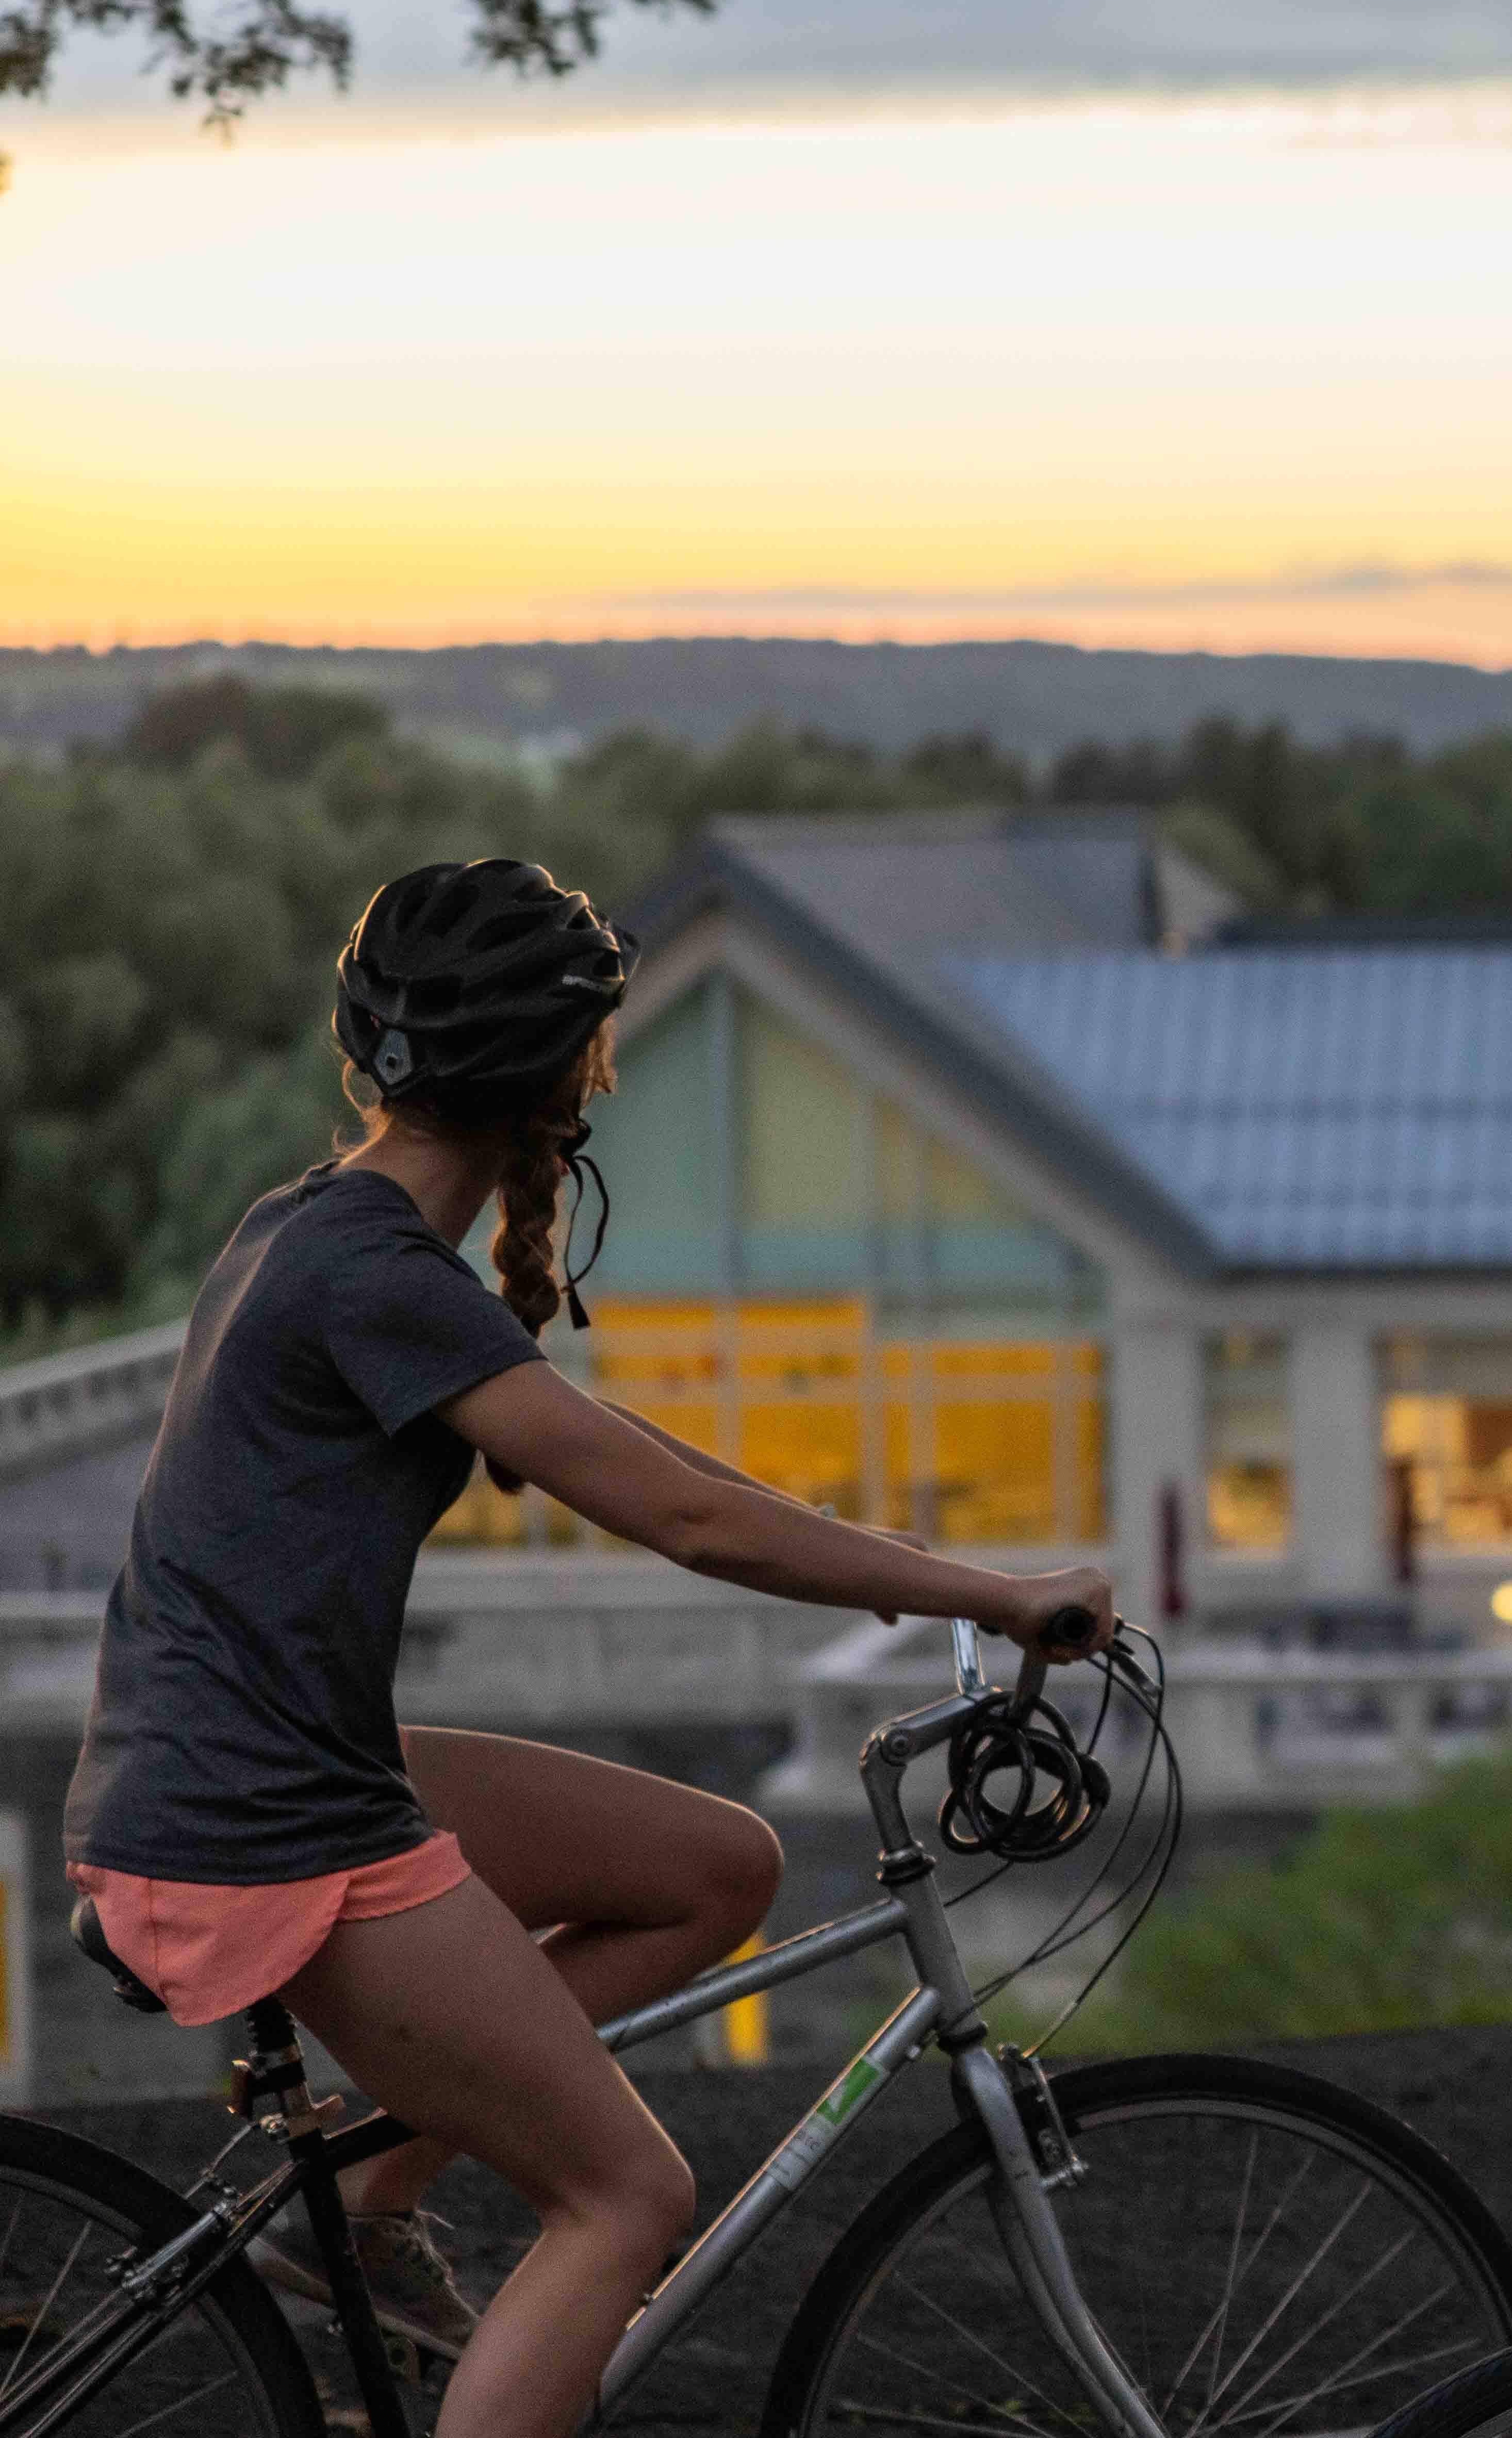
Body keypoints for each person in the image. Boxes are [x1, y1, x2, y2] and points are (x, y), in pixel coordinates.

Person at [59, 860, 1113, 2438]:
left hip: (251, 1763)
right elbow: (683, 1522)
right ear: (562, 1079)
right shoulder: (376, 1278)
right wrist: (994, 1597)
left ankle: (358, 2213)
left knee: (716, 1870)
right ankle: (382, 2226)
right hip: (267, 1816)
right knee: (626, 2195)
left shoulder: (313, 1224)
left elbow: (662, 1476)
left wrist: (918, 1572)